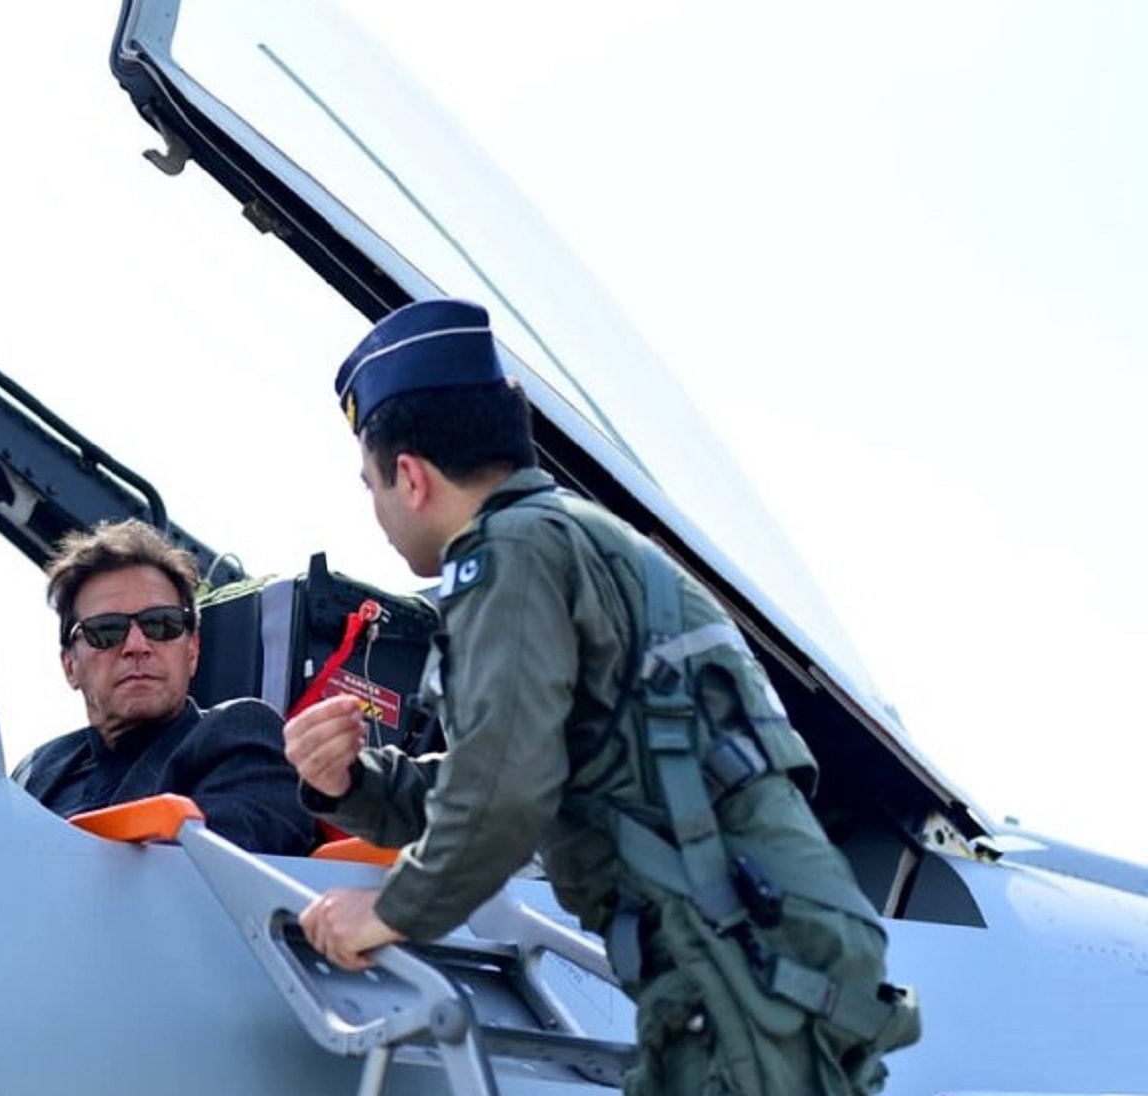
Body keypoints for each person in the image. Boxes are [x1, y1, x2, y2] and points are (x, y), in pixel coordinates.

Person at [284, 298, 920, 1095]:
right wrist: (357, 785)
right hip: (759, 961)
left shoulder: (507, 556)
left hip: (738, 969)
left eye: (371, 484)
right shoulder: (577, 542)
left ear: (409, 477)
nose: (376, 511)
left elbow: (503, 792)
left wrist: (387, 912)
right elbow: (539, 770)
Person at [13, 519, 320, 858]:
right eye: (106, 630)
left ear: (192, 651)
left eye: (161, 624)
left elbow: (215, 867)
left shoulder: (240, 735)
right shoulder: (34, 773)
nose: (136, 645)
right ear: (70, 666)